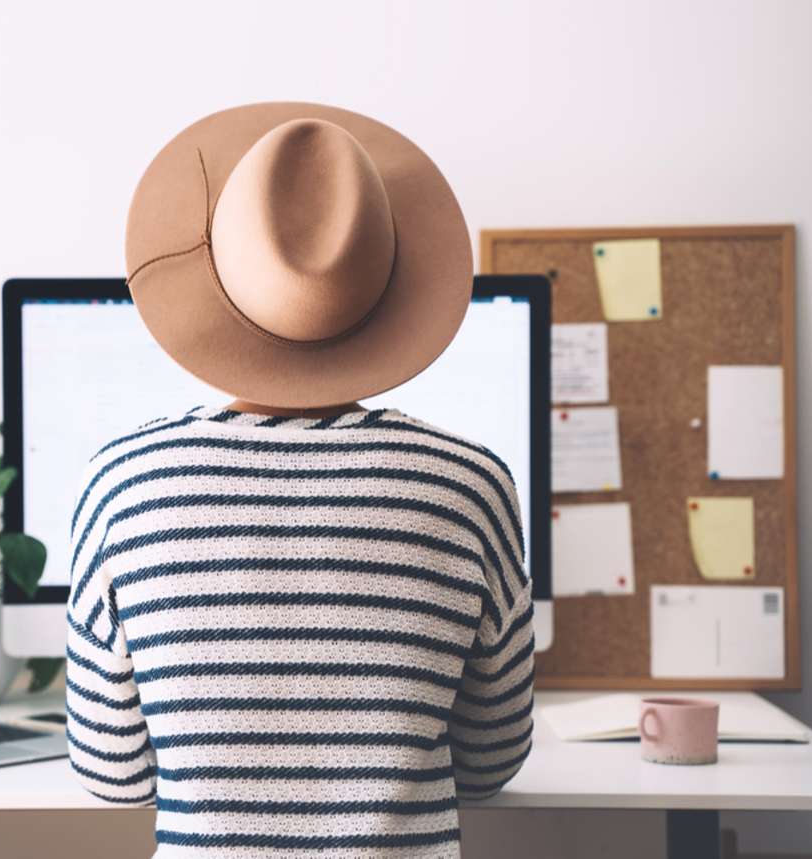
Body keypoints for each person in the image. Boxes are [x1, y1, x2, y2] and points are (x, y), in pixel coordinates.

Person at [65, 102, 534, 858]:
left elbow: (112, 773)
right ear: (391, 287)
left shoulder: (122, 486)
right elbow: (490, 763)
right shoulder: (470, 485)